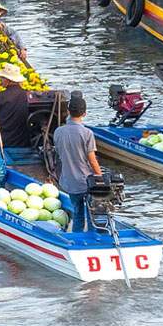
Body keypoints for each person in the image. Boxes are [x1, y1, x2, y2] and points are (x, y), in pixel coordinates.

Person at [52, 92, 99, 232]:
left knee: (77, 214)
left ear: (68, 112)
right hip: (87, 182)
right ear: (84, 114)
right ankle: (92, 239)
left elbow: (60, 155)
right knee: (92, 215)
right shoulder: (87, 133)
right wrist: (100, 176)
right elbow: (92, 160)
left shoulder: (58, 132)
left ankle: (77, 238)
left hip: (70, 181)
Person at [0, 64, 33, 147]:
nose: (0, 80)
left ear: (8, 80)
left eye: (2, 78)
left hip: (4, 142)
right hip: (24, 142)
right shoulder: (28, 95)